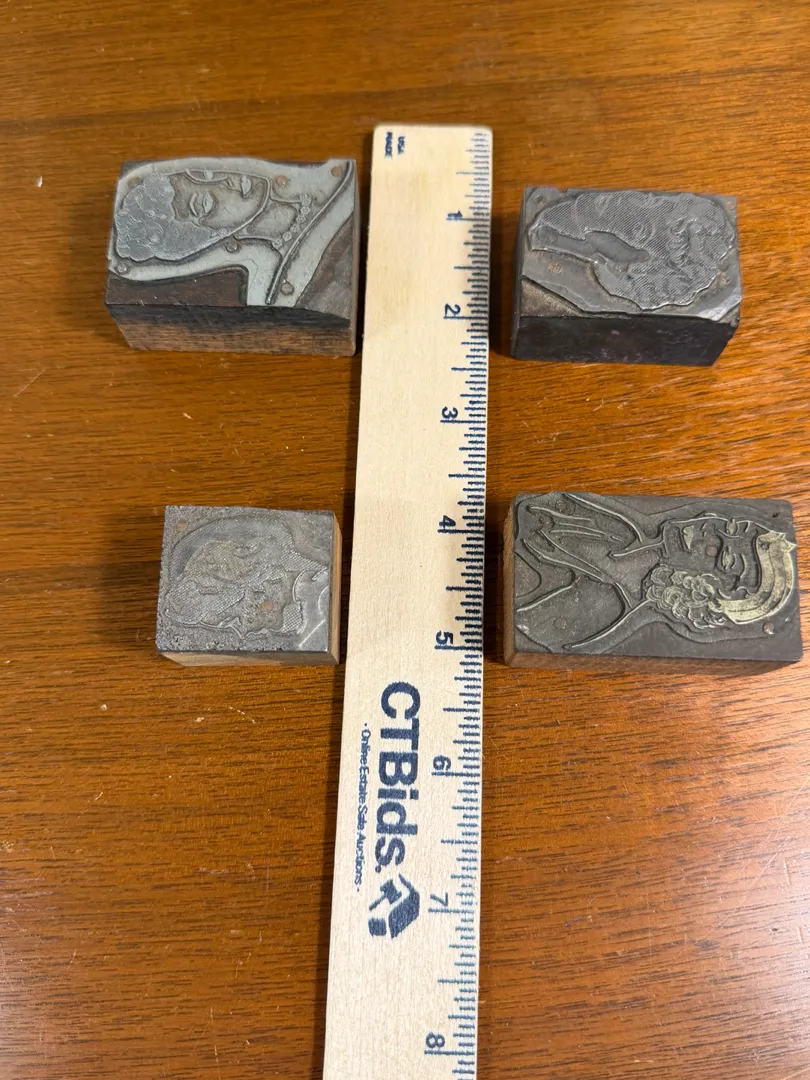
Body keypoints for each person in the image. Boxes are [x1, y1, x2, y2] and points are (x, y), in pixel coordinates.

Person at [514, 493, 796, 653]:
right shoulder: (612, 523)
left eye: (715, 552)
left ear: (705, 593)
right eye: (720, 527)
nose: (694, 533)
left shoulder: (587, 629)